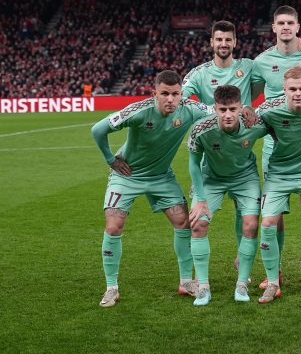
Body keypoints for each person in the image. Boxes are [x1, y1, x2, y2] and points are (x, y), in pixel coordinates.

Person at [91, 70, 212, 307]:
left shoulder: (190, 108)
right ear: (154, 93)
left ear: (182, 94)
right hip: (128, 175)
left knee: (183, 222)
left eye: (175, 94)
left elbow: (219, 112)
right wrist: (110, 160)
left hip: (161, 176)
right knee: (114, 227)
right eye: (164, 94)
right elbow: (98, 129)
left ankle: (186, 282)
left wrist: (247, 112)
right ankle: (111, 288)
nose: (170, 99)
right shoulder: (139, 111)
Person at [251, 5, 301, 288]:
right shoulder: (262, 61)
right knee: (274, 215)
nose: (285, 27)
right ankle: (275, 271)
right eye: (281, 23)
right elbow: (251, 95)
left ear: (298, 27)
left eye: (290, 23)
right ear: (273, 27)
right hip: (274, 148)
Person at [186, 85, 267, 305]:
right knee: (198, 224)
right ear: (215, 109)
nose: (228, 115)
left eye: (233, 109)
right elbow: (193, 164)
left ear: (241, 108)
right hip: (211, 178)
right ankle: (203, 287)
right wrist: (200, 199)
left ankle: (242, 284)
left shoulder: (255, 124)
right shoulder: (201, 129)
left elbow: (278, 130)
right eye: (222, 110)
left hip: (245, 177)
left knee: (251, 225)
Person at [182, 20, 254, 106]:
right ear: (212, 42)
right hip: (212, 115)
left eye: (228, 40)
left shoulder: (248, 66)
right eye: (219, 40)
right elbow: (180, 97)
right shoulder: (198, 73)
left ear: (234, 42)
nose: (223, 44)